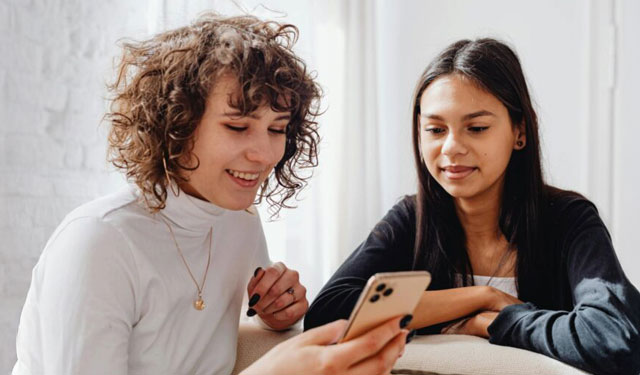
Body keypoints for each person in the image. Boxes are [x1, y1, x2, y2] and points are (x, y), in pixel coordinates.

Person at [13, 13, 410, 375]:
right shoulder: (99, 242)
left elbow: (234, 324)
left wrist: (274, 312)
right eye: (237, 127)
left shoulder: (239, 222)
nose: (264, 153)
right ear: (176, 124)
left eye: (277, 129)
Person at [304, 38, 640, 375]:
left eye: (476, 128)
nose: (450, 147)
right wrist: (483, 297)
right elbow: (327, 315)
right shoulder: (412, 219)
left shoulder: (567, 219)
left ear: (519, 130)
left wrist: (495, 323)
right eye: (435, 129)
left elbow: (614, 340)